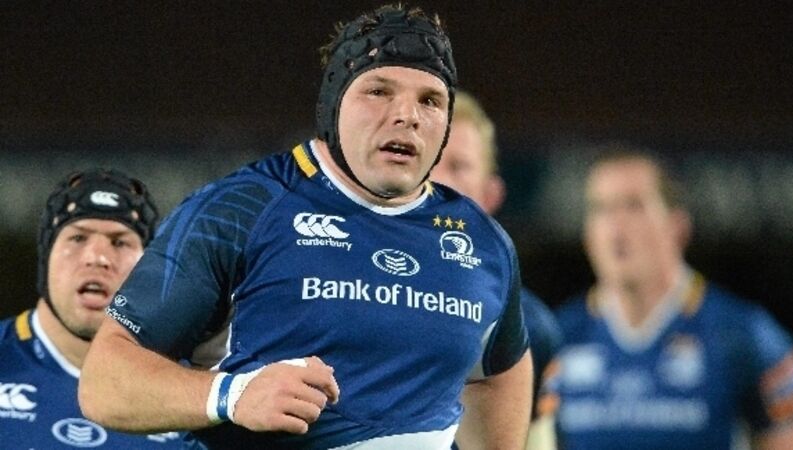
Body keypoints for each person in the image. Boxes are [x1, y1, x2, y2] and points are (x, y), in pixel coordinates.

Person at [78, 5, 533, 449]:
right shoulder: (241, 209)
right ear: (334, 104)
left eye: (430, 100)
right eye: (379, 91)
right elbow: (104, 381)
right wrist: (232, 394)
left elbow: (498, 373)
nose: (407, 115)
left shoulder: (482, 243)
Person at [538, 145, 793, 449]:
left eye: (634, 206)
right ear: (587, 234)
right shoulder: (556, 338)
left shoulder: (745, 335)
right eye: (601, 208)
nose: (616, 227)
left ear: (677, 226)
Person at [0, 169, 194, 448]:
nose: (98, 257)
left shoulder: (192, 391)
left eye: (119, 242)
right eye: (78, 238)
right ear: (46, 256)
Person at [429, 89, 562, 448]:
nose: (437, 181)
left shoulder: (530, 327)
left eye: (458, 166)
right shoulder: (342, 293)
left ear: (491, 195)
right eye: (428, 160)